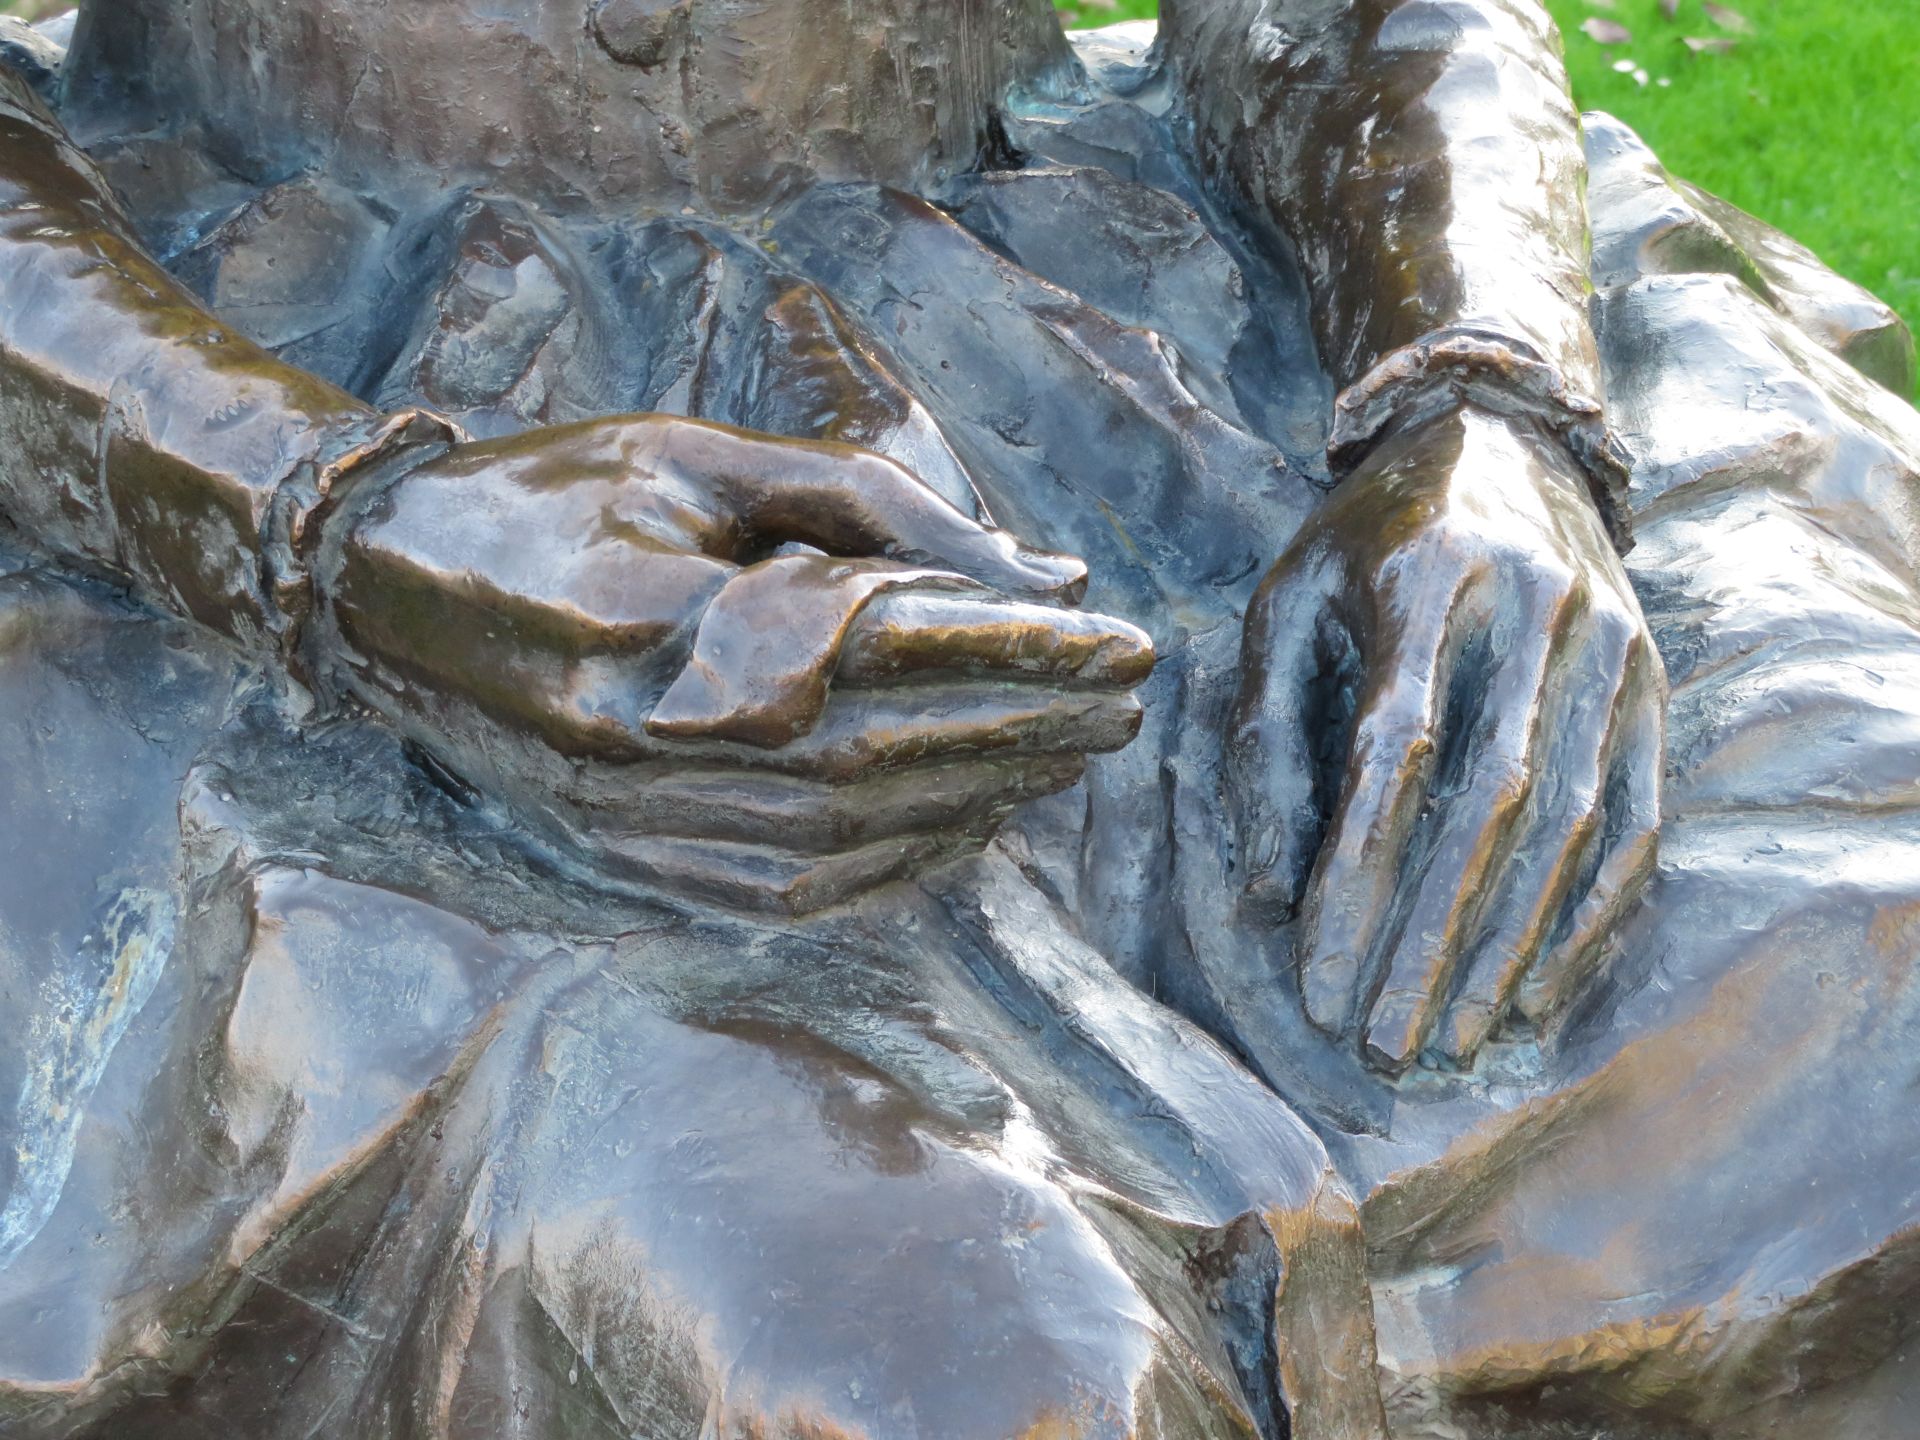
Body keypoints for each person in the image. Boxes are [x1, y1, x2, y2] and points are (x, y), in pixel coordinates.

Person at [0, 0, 1915, 1435]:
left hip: (1128, 357)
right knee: (956, 1361)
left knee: (1863, 1054)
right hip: (230, 415)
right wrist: (334, 526)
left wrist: (1476, 401)